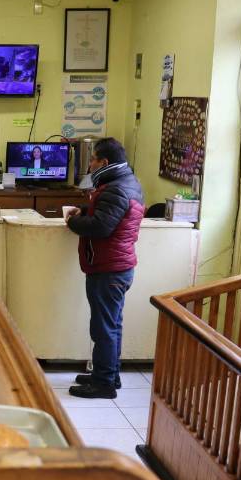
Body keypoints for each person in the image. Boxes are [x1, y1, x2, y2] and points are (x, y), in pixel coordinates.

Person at [63, 137, 144, 399]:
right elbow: (110, 214)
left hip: (108, 268)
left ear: (105, 162)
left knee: (104, 327)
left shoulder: (115, 188)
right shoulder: (124, 182)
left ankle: (104, 383)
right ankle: (108, 373)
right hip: (116, 266)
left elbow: (101, 227)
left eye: (93, 159)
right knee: (112, 324)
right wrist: (87, 209)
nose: (90, 164)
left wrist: (73, 221)